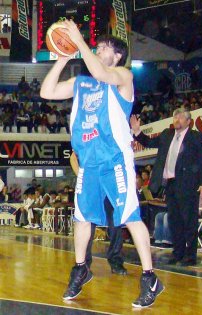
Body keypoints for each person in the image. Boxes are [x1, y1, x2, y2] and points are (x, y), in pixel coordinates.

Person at [40, 19, 163, 308]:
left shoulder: (123, 75)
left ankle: (150, 278)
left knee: (130, 216)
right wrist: (63, 58)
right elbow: (47, 92)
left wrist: (79, 43)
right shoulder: (82, 83)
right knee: (82, 218)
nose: (97, 49)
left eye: (103, 47)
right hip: (89, 163)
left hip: (115, 159)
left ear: (117, 55)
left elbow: (100, 70)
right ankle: (81, 268)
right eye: (97, 45)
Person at [130, 108, 202, 266]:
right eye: (175, 117)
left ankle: (191, 255)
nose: (177, 120)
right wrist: (137, 131)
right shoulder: (167, 134)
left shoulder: (196, 137)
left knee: (189, 220)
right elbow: (149, 142)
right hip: (171, 183)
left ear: (188, 121)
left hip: (189, 184)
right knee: (174, 220)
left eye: (180, 117)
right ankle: (178, 252)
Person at [70, 151, 127, 275]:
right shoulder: (86, 135)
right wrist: (81, 177)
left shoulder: (111, 137)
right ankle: (83, 264)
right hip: (91, 184)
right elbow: (73, 157)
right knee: (87, 224)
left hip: (110, 184)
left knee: (115, 223)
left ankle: (116, 261)